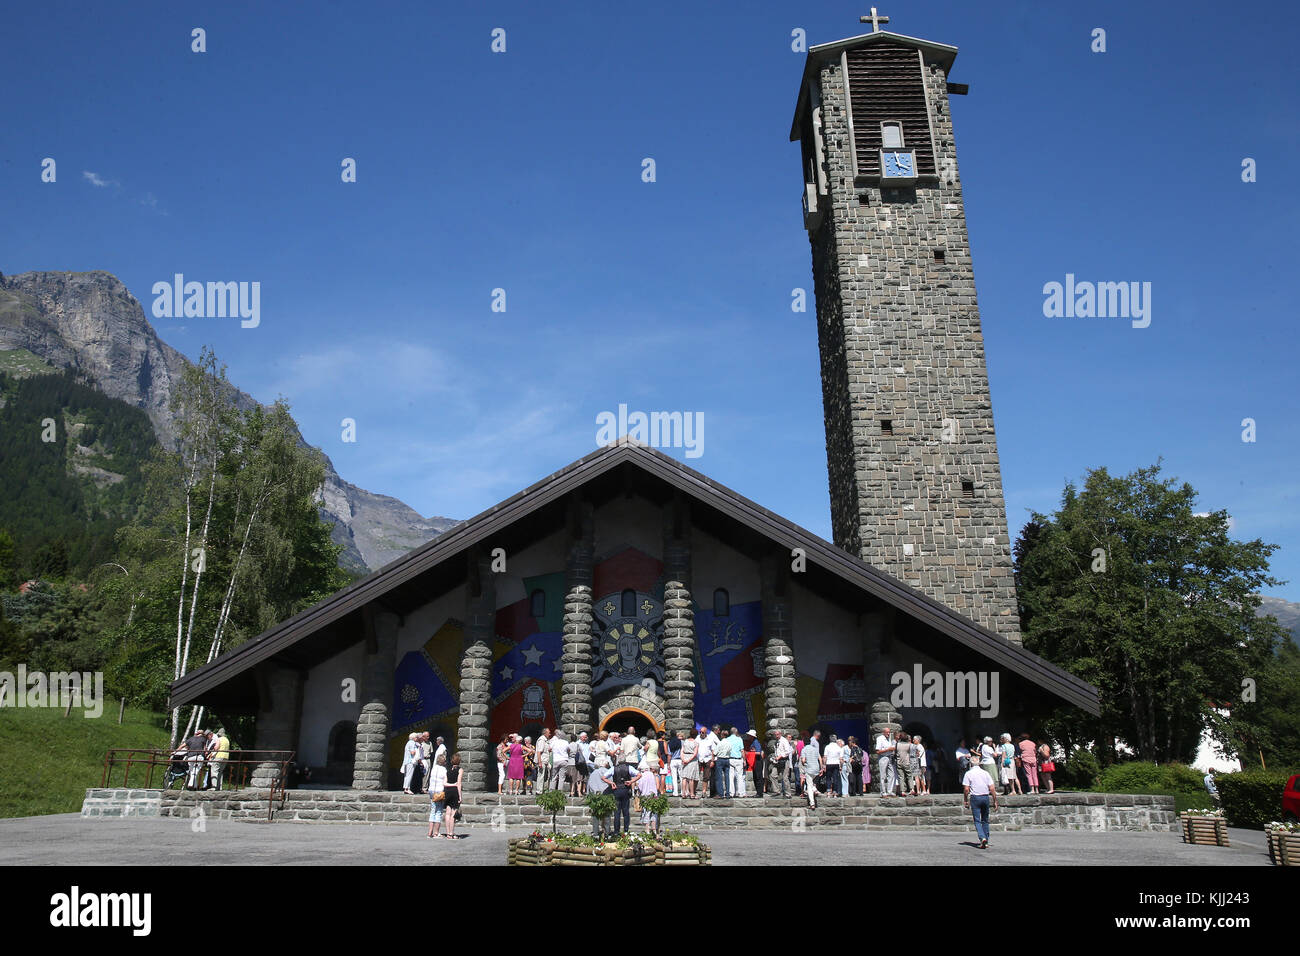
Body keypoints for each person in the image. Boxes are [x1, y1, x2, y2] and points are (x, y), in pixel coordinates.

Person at [962, 756, 998, 849]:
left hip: (975, 797)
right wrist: (995, 800)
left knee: (977, 820)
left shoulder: (968, 773)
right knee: (985, 820)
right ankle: (986, 839)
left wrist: (965, 800)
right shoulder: (985, 773)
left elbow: (966, 789)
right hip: (985, 796)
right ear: (979, 763)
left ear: (970, 764)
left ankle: (982, 838)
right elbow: (992, 788)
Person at [609, 759, 639, 835]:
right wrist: (631, 781)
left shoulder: (614, 768)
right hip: (625, 790)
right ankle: (626, 830)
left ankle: (616, 831)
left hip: (617, 790)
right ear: (625, 760)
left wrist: (611, 783)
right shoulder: (629, 768)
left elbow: (603, 777)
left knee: (617, 812)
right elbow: (639, 775)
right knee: (626, 812)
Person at [426, 753, 449, 839]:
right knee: (438, 812)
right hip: (439, 792)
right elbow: (445, 782)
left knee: (432, 811)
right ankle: (436, 833)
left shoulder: (434, 768)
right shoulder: (444, 770)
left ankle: (430, 832)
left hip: (432, 791)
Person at [442, 754, 462, 839]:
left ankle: (447, 833)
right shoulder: (460, 770)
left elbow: (444, 783)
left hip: (447, 791)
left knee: (447, 813)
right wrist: (460, 796)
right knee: (453, 814)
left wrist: (450, 784)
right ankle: (451, 833)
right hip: (454, 792)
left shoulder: (448, 769)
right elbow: (459, 783)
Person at [801, 729, 822, 808]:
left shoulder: (804, 750)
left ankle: (812, 803)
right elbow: (820, 758)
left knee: (809, 786)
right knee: (812, 783)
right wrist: (821, 768)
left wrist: (804, 762)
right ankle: (815, 789)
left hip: (809, 769)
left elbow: (803, 760)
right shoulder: (815, 749)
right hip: (816, 769)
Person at [874, 726, 897, 797]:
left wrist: (892, 749)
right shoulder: (880, 739)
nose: (888, 733)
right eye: (887, 732)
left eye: (889, 732)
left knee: (892, 774)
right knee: (883, 775)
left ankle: (890, 791)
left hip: (890, 757)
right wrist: (888, 749)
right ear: (883, 732)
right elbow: (878, 751)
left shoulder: (889, 739)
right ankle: (883, 792)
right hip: (883, 758)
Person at [770, 730, 792, 798]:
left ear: (780, 734)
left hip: (784, 760)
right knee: (773, 775)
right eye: (775, 734)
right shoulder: (776, 741)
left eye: (778, 734)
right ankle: (776, 791)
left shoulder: (784, 741)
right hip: (777, 761)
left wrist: (780, 756)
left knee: (785, 778)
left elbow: (787, 751)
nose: (776, 736)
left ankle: (788, 793)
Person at [680, 728, 700, 798]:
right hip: (692, 759)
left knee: (684, 777)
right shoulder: (695, 743)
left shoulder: (685, 741)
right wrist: (688, 760)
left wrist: (683, 759)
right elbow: (695, 753)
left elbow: (682, 751)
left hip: (685, 757)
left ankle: (683, 793)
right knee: (691, 777)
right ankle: (692, 794)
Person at [668, 730, 684, 796]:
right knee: (681, 776)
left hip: (673, 760)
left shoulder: (670, 743)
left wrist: (668, 764)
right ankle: (683, 791)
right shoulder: (681, 742)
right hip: (680, 760)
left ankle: (675, 792)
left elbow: (669, 754)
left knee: (674, 777)